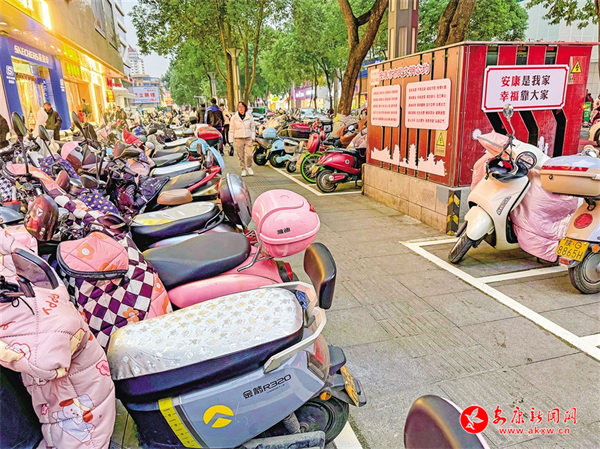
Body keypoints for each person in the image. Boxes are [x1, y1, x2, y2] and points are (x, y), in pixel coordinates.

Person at [229, 101, 256, 177]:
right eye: (239, 107)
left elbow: (253, 128)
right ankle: (243, 169)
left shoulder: (249, 117)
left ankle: (249, 166)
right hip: (238, 138)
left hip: (248, 137)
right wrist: (230, 141)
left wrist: (252, 137)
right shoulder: (234, 118)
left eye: (242, 107)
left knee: (249, 154)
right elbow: (231, 130)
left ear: (245, 108)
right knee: (240, 155)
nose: (241, 109)